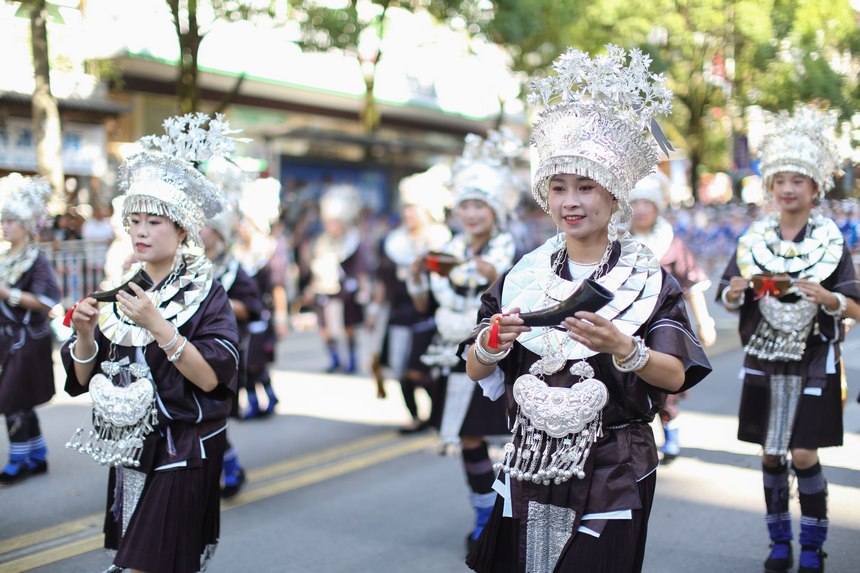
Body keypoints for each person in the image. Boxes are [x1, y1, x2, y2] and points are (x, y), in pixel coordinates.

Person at [463, 45, 711, 573]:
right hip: (529, 462)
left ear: (615, 196)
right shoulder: (522, 277)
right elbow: (475, 367)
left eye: (586, 187)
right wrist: (491, 342)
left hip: (615, 461)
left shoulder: (647, 278)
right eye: (559, 188)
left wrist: (625, 348)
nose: (571, 201)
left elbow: (674, 373)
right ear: (545, 197)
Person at [62, 113, 241, 573]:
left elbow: (212, 378)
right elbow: (84, 378)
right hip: (131, 447)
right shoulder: (122, 292)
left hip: (184, 443)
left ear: (181, 228)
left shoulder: (208, 292)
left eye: (154, 221)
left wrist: (160, 326)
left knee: (148, 565)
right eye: (134, 220)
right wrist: (84, 333)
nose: (140, 231)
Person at [717, 105, 856, 573]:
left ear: (816, 187)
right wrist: (735, 290)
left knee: (802, 452)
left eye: (799, 180)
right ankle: (779, 541)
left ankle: (813, 545)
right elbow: (726, 291)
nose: (789, 188)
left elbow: (855, 305)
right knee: (772, 453)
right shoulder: (753, 238)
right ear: (770, 187)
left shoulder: (831, 240)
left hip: (814, 356)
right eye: (781, 180)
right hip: (764, 355)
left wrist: (830, 299)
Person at [411, 129, 522, 551]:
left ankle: (510, 509)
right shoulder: (447, 249)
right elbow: (426, 303)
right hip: (453, 354)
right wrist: (418, 277)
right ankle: (483, 512)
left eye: (480, 205)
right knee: (469, 438)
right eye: (465, 205)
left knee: (513, 441)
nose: (472, 214)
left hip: (498, 353)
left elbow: (490, 281)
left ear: (494, 210)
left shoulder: (511, 249)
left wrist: (462, 266)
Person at [629, 173, 716, 462]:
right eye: (635, 202)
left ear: (657, 207)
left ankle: (672, 437)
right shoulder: (614, 239)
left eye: (646, 203)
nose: (640, 209)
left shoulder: (671, 242)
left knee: (666, 387)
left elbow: (691, 284)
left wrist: (704, 322)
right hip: (626, 326)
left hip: (663, 327)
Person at [369, 166, 451, 431]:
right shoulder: (393, 242)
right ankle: (416, 417)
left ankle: (437, 414)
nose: (408, 214)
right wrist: (374, 308)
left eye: (413, 209)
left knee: (420, 371)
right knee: (402, 373)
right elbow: (383, 279)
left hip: (427, 316)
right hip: (398, 314)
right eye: (405, 209)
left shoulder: (440, 241)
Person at [203, 158, 265, 498]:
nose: (200, 231)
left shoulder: (232, 270)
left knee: (214, 414)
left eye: (207, 227)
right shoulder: (190, 265)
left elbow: (252, 306)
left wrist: (217, 302)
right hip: (190, 348)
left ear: (220, 233)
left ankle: (230, 466)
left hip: (224, 350)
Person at [0, 174, 61, 484]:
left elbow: (47, 300)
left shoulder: (36, 260)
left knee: (11, 399)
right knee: (19, 400)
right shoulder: (4, 257)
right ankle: (37, 456)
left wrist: (6, 293)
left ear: (26, 224)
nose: (5, 225)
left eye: (11, 220)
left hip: (27, 340)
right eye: (4, 220)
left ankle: (19, 460)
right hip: (6, 341)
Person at [232, 177, 285, 418]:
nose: (242, 227)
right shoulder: (238, 253)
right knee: (245, 361)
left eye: (247, 223)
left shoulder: (269, 250)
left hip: (263, 317)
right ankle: (263, 399)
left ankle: (265, 400)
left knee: (255, 361)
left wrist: (282, 317)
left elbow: (277, 286)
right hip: (244, 319)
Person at [304, 185, 371, 374]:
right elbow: (316, 267)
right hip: (324, 291)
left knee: (348, 328)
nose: (330, 226)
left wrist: (364, 291)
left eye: (334, 222)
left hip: (346, 293)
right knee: (325, 329)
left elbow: (361, 270)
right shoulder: (322, 242)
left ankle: (351, 359)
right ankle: (334, 359)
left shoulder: (355, 241)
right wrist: (311, 287)